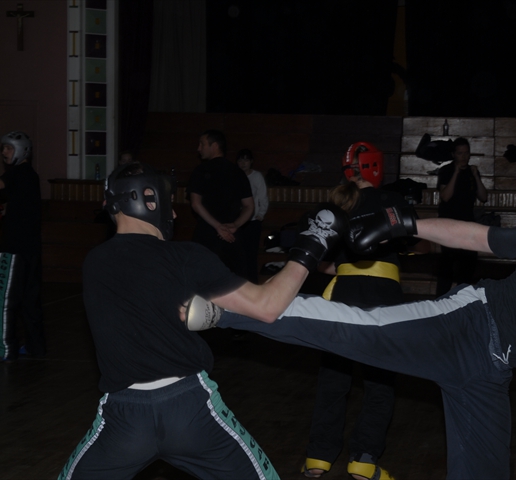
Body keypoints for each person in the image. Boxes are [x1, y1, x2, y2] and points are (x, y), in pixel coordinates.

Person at [187, 198, 516, 480]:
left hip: (491, 374)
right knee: (355, 328)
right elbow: (474, 236)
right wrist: (404, 224)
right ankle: (224, 308)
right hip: (467, 325)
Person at [57, 161, 348, 479]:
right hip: (191, 410)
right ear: (148, 201)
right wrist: (313, 242)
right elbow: (268, 306)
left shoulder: (94, 263)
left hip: (124, 419)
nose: (175, 215)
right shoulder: (185, 258)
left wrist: (213, 314)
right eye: (169, 206)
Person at [302, 142, 410, 480]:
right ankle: (363, 460)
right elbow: (410, 240)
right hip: (382, 294)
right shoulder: (391, 200)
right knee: (380, 381)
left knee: (334, 378)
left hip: (344, 293)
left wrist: (344, 266)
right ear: (375, 167)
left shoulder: (334, 205)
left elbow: (320, 260)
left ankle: (318, 459)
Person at [0, 131, 46, 362]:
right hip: (30, 249)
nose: (4, 153)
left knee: (6, 299)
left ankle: (6, 348)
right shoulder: (30, 176)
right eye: (4, 149)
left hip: (15, 249)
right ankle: (36, 347)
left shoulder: (18, 174)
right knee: (30, 300)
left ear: (21, 150)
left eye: (9, 148)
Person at [187, 129, 254, 279]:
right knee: (234, 284)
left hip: (207, 235)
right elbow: (249, 206)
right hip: (232, 237)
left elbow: (195, 204)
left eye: (202, 144)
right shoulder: (237, 172)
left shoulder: (201, 170)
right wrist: (235, 225)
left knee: (203, 283)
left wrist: (218, 226)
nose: (199, 148)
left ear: (215, 146)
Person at [436, 137, 487, 296]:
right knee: (447, 265)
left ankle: (462, 300)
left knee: (468, 264)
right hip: (448, 223)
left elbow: (483, 197)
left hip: (467, 223)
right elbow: (445, 196)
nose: (464, 157)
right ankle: (441, 300)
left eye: (466, 153)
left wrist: (476, 176)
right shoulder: (446, 170)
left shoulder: (473, 171)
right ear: (453, 154)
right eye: (460, 153)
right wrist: (456, 173)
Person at [236, 148, 269, 283]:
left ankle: (252, 283)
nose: (243, 163)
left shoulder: (257, 177)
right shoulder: (235, 176)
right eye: (240, 160)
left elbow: (263, 197)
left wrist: (260, 214)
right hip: (237, 221)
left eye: (246, 160)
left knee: (251, 254)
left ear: (251, 162)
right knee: (238, 254)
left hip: (253, 221)